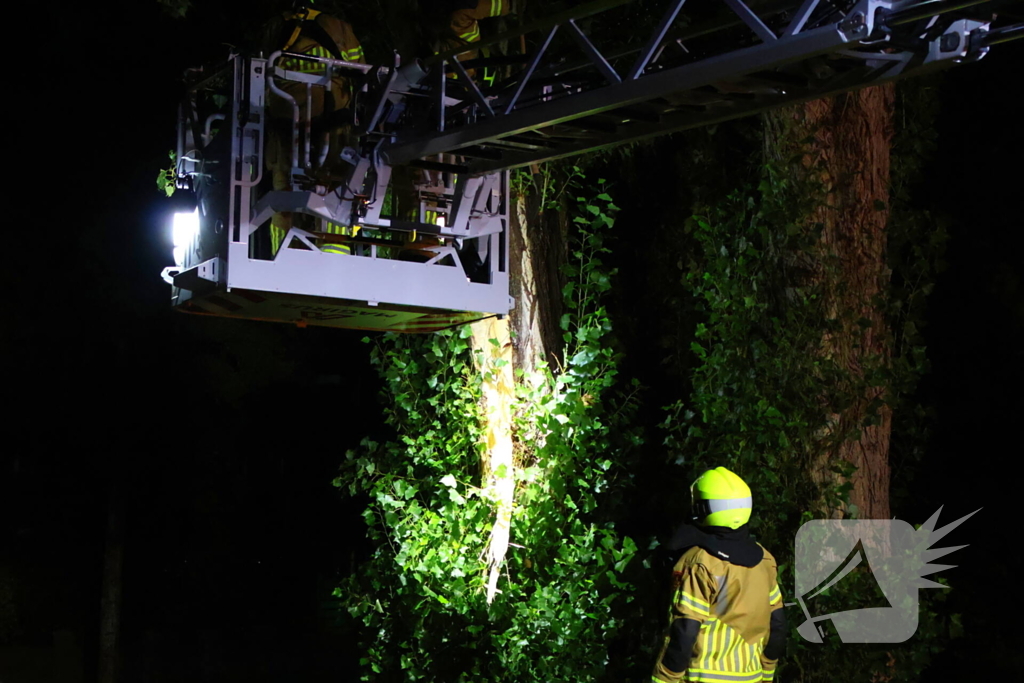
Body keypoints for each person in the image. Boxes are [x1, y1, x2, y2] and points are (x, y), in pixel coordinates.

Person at [653, 467, 786, 683]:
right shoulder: (765, 561)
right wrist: (766, 674)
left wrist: (664, 678)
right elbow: (778, 626)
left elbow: (685, 630)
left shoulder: (700, 563)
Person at [263, 1, 365, 257]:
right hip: (333, 126)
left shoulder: (275, 27)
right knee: (334, 189)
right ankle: (333, 258)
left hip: (287, 128)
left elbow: (260, 71)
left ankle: (283, 259)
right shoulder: (339, 28)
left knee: (284, 191)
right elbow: (362, 71)